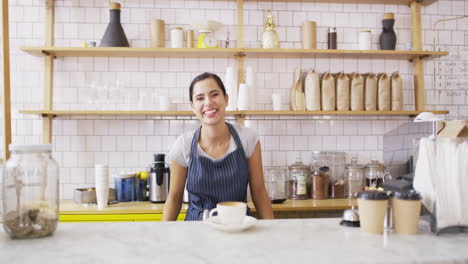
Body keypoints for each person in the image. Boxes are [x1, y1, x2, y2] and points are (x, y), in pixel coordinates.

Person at [162, 72, 274, 221]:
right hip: (197, 227)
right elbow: (174, 198)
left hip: (238, 224)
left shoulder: (248, 139)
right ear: (192, 106)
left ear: (226, 99)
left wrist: (271, 231)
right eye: (200, 98)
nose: (208, 102)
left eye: (214, 95)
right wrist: (164, 236)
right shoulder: (184, 145)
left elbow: (259, 192)